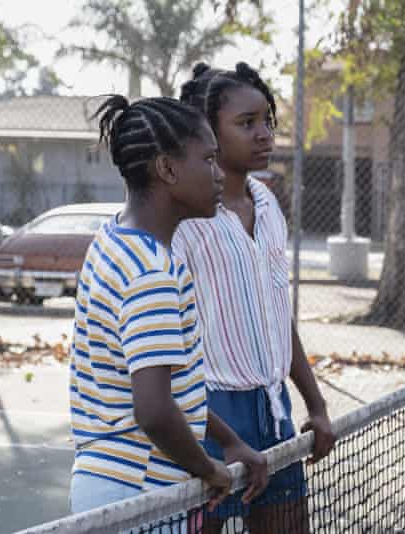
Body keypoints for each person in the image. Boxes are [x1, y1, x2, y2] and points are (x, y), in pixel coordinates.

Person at [175, 62, 336, 533]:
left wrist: (316, 405)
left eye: (267, 119)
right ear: (208, 132)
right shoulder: (185, 219)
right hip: (210, 416)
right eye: (247, 124)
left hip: (273, 407)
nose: (264, 133)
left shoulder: (267, 205)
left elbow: (276, 313)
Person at [69, 94, 239, 516]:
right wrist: (209, 469)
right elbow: (153, 409)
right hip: (138, 493)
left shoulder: (113, 239)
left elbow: (164, 390)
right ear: (167, 169)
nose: (219, 175)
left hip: (110, 487)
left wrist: (231, 440)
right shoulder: (152, 271)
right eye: (209, 160)